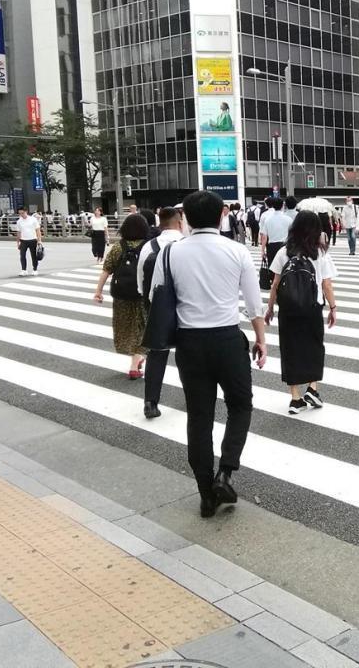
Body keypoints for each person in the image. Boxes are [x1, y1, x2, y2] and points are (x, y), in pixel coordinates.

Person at [148, 190, 266, 518]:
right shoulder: (237, 250)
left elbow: (155, 293)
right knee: (240, 405)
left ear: (186, 218)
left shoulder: (170, 254)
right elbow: (254, 304)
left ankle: (205, 493)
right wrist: (261, 339)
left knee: (199, 417)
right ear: (221, 216)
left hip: (189, 343)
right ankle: (225, 472)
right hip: (228, 339)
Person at [265, 211, 338, 414]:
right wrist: (333, 308)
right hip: (312, 308)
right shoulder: (320, 252)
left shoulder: (283, 252)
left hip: (288, 310)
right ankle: (312, 389)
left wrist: (270, 308)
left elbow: (275, 285)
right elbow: (327, 285)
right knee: (314, 347)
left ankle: (295, 398)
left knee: (290, 350)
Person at [137, 207, 184, 419]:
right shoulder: (186, 245)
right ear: (180, 222)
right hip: (185, 306)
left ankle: (151, 401)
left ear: (160, 224)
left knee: (157, 353)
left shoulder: (149, 246)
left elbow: (141, 283)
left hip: (157, 306)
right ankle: (193, 394)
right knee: (187, 352)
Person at [93, 213, 151, 379]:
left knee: (126, 327)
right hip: (143, 295)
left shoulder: (118, 247)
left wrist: (98, 291)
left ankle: (134, 360)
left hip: (122, 295)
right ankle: (137, 361)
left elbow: (106, 270)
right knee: (143, 327)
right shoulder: (148, 246)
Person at [259, 196, 294, 287]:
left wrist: (263, 251)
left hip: (272, 247)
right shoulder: (288, 219)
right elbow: (292, 235)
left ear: (273, 206)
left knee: (274, 268)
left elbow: (264, 237)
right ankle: (285, 285)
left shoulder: (268, 219)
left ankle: (275, 286)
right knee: (286, 267)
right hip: (286, 246)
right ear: (282, 205)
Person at [16, 208, 43, 276]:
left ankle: (35, 269)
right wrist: (18, 242)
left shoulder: (33, 219)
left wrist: (39, 240)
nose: (21, 215)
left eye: (22, 213)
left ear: (26, 212)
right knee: (22, 256)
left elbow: (38, 230)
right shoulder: (19, 221)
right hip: (23, 240)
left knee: (33, 256)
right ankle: (24, 270)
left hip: (33, 240)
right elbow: (19, 232)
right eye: (20, 213)